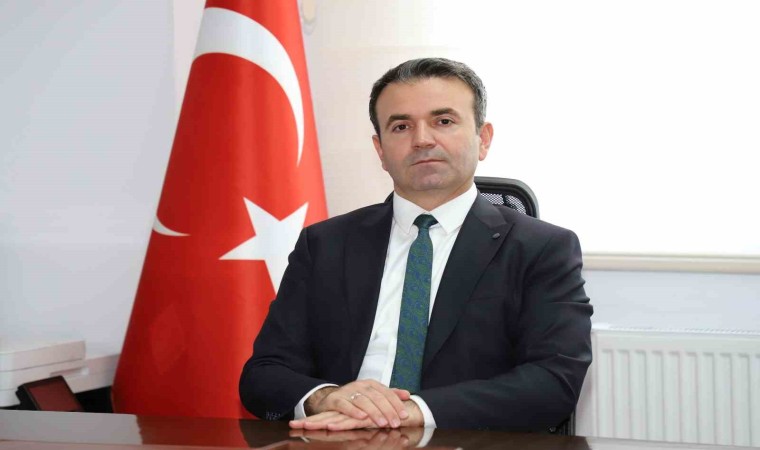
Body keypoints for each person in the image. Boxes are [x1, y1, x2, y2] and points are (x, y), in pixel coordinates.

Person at [239, 57, 592, 431]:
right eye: (401, 126)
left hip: (462, 438)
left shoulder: (541, 248)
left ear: (483, 139)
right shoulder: (326, 244)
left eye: (444, 121)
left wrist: (413, 412)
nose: (422, 139)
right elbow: (264, 374)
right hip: (337, 435)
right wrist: (325, 397)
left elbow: (553, 382)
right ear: (380, 150)